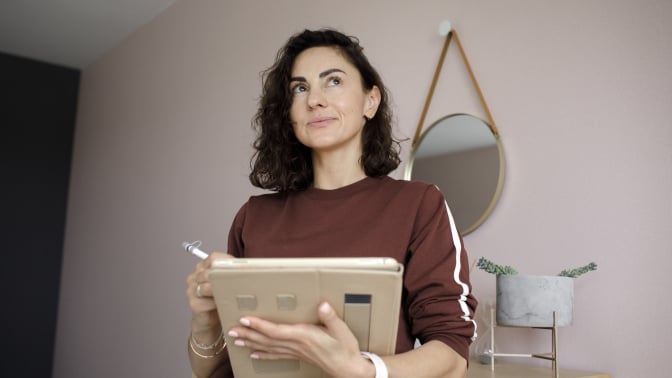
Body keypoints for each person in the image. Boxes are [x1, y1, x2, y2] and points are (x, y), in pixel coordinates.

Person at [186, 28, 478, 378]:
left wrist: (366, 371)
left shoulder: (419, 205)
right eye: (300, 88)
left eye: (333, 81)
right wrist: (206, 322)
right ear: (289, 112)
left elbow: (452, 355)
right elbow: (216, 370)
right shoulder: (253, 216)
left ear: (371, 101)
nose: (314, 100)